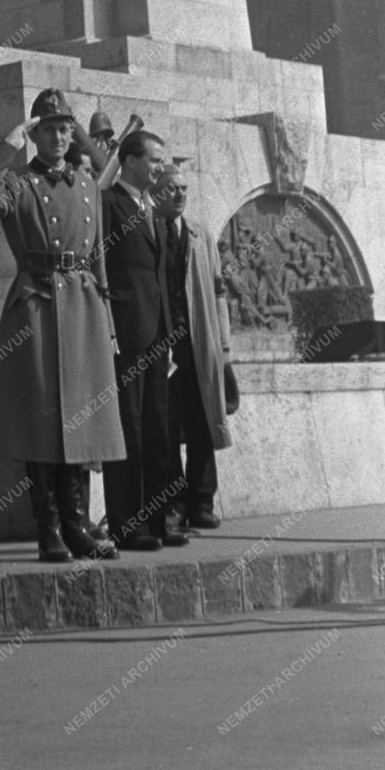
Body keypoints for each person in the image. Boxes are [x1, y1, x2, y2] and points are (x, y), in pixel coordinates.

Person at [0, 89, 123, 563]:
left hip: (84, 306)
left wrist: (108, 319)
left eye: (64, 128)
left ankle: (78, 522)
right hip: (37, 303)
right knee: (43, 421)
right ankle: (49, 525)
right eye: (49, 128)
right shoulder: (20, 184)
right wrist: (11, 141)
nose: (58, 137)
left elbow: (98, 256)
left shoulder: (88, 184)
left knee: (85, 419)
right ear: (36, 135)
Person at [101, 130, 190, 552]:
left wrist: (169, 334)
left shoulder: (153, 210)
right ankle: (127, 523)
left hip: (156, 335)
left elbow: (161, 276)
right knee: (129, 430)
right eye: (154, 161)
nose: (159, 168)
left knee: (158, 429)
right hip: (125, 334)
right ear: (130, 160)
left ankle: (158, 519)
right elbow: (99, 268)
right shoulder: (107, 205)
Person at [152, 167, 235, 530]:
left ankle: (202, 500)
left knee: (202, 421)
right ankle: (172, 501)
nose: (180, 194)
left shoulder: (202, 235)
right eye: (172, 188)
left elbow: (218, 294)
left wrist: (225, 348)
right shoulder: (148, 229)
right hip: (161, 347)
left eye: (184, 188)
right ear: (156, 192)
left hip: (197, 343)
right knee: (166, 425)